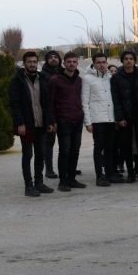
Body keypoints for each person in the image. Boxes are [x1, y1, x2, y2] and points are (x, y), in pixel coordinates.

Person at [9, 51, 56, 197]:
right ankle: (28, 186)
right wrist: (20, 123)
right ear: (24, 63)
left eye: (34, 62)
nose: (32, 64)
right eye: (29, 62)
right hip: (27, 125)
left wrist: (50, 121)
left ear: (38, 63)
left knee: (41, 154)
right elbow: (14, 104)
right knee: (27, 154)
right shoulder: (17, 80)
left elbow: (48, 103)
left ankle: (39, 183)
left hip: (41, 124)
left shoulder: (43, 79)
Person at [111, 50, 138, 183]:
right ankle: (130, 173)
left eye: (131, 58)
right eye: (126, 59)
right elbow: (115, 99)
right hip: (125, 116)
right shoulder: (116, 78)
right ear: (122, 61)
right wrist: (120, 118)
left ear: (135, 60)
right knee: (126, 145)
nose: (128, 61)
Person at [50, 52, 85, 191]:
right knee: (65, 151)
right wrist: (52, 121)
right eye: (69, 61)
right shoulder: (55, 80)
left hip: (77, 120)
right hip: (63, 120)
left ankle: (72, 178)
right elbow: (50, 102)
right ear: (63, 63)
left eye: (74, 61)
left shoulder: (79, 80)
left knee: (75, 151)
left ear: (77, 63)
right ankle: (63, 181)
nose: (71, 64)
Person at [82, 53, 117, 186]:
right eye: (99, 62)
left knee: (110, 147)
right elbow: (84, 101)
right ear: (94, 63)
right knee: (99, 148)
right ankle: (100, 176)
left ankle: (110, 173)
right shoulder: (87, 79)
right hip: (97, 119)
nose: (102, 65)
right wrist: (88, 122)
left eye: (104, 62)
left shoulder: (110, 77)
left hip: (110, 118)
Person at [39, 50, 63, 180]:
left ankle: (67, 167)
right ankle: (49, 169)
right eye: (50, 57)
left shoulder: (64, 73)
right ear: (46, 60)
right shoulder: (42, 75)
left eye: (56, 57)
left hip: (64, 112)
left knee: (66, 143)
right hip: (49, 113)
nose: (53, 59)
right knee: (49, 142)